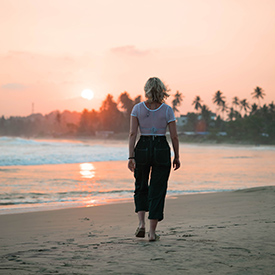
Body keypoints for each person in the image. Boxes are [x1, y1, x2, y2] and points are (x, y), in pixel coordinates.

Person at [128, 77, 180, 242]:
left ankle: (141, 224)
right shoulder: (167, 110)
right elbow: (174, 136)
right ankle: (151, 233)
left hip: (142, 147)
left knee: (141, 185)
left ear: (146, 90)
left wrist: (131, 156)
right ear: (162, 90)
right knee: (157, 189)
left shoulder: (137, 109)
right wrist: (177, 156)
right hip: (161, 147)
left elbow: (132, 134)